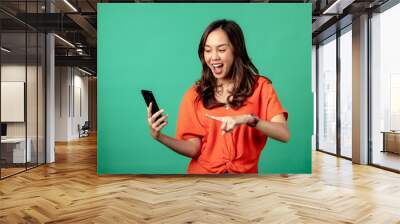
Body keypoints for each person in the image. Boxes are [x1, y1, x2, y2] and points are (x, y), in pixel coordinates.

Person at [146, 19, 290, 174]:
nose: (213, 57)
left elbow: (284, 134)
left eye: (221, 50)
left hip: (243, 183)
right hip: (202, 182)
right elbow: (194, 149)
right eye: (208, 50)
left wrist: (249, 119)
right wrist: (159, 136)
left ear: (236, 50)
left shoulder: (261, 87)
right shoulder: (194, 94)